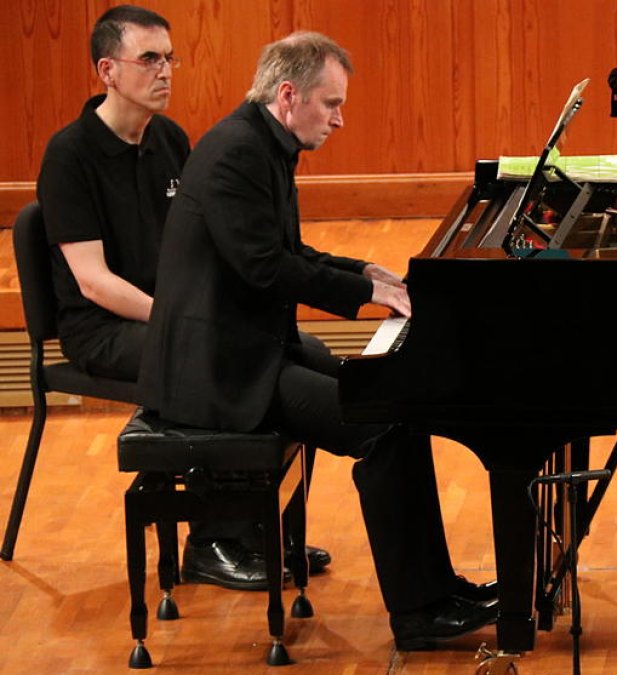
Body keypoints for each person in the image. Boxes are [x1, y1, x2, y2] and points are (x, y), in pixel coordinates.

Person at [137, 31, 498, 648]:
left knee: (394, 403)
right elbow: (264, 268)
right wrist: (364, 293)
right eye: (331, 103)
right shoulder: (237, 153)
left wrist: (362, 271)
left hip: (250, 346)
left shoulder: (263, 143)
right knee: (383, 426)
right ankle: (420, 612)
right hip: (219, 371)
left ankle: (439, 590)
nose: (339, 118)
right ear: (288, 94)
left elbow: (288, 251)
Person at [34, 4, 330, 591]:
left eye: (170, 58)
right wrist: (189, 320)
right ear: (108, 70)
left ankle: (271, 529)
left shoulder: (170, 139)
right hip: (103, 328)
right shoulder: (69, 154)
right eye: (149, 59)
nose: (165, 71)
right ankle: (211, 543)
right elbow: (92, 281)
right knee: (225, 358)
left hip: (177, 313)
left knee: (304, 348)